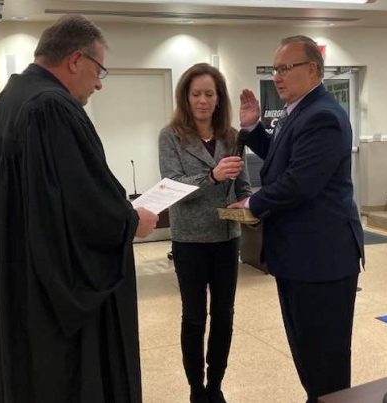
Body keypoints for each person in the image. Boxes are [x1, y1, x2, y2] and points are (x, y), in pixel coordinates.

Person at [0, 15, 158, 403]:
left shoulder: (6, 101)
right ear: (75, 59)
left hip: (15, 279)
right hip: (49, 303)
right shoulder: (52, 108)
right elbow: (84, 206)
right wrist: (131, 221)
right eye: (99, 70)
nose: (99, 83)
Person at [228, 35, 365, 402]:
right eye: (275, 69)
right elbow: (282, 159)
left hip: (322, 260)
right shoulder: (297, 112)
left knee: (326, 359)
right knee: (307, 353)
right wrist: (253, 129)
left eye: (286, 68)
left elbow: (300, 182)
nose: (277, 76)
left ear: (314, 70)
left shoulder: (323, 116)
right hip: (297, 256)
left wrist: (253, 203)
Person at [158, 63, 251, 403]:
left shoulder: (231, 136)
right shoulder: (170, 136)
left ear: (218, 98)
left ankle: (216, 385)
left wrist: (247, 203)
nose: (202, 101)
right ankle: (196, 389)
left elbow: (243, 185)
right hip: (190, 241)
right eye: (196, 94)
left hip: (226, 238)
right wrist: (211, 177)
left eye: (209, 94)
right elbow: (172, 186)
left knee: (224, 315)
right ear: (185, 97)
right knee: (194, 316)